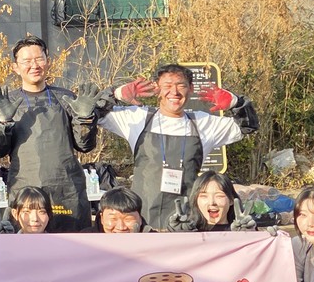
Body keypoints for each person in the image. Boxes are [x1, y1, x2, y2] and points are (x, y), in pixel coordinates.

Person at [99, 64, 258, 230]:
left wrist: (235, 102)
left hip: (186, 223)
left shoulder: (203, 123)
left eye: (181, 85)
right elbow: (91, 113)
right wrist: (117, 94)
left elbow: (248, 126)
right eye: (167, 86)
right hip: (142, 219)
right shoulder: (137, 118)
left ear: (190, 89)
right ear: (157, 88)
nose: (174, 92)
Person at [0, 36, 102, 232]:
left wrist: (84, 119)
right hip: (25, 188)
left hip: (66, 188)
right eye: (27, 61)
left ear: (48, 61)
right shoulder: (5, 103)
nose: (34, 65)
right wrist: (3, 122)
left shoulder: (66, 98)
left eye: (39, 59)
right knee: (27, 245)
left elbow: (85, 145)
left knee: (71, 243)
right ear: (15, 67)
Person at [166, 171, 256, 232]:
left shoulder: (240, 230)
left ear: (231, 200)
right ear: (196, 200)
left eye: (219, 196)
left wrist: (247, 235)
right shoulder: (190, 231)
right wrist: (177, 234)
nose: (212, 202)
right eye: (204, 196)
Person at [88, 187, 155, 233]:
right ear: (102, 218)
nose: (121, 227)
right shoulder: (85, 240)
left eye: (128, 219)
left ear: (140, 219)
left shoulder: (155, 241)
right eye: (113, 219)